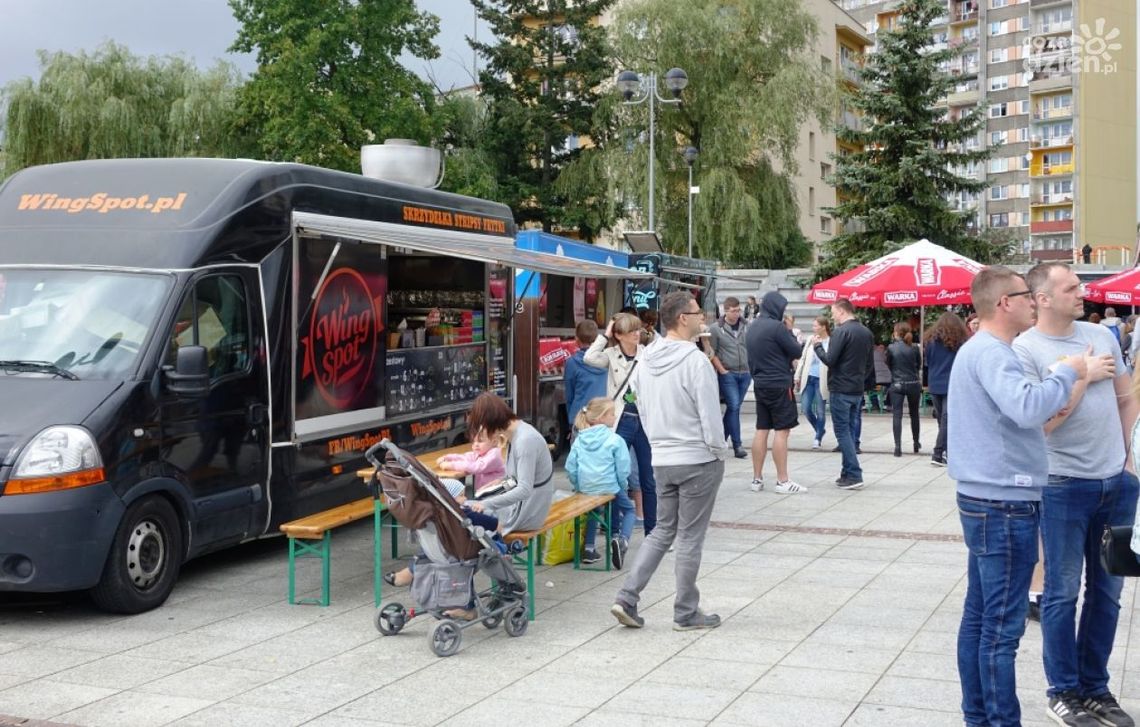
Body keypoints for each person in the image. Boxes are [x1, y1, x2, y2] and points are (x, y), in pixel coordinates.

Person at [949, 265, 1087, 727]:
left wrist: (1049, 386)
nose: (1034, 301)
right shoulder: (994, 353)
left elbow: (1013, 410)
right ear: (1004, 303)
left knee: (980, 619)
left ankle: (979, 717)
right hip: (1004, 504)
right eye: (1027, 295)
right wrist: (1067, 374)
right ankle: (998, 721)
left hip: (985, 499)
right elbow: (1027, 409)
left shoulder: (982, 350)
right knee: (1000, 631)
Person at [1013, 262, 1136, 727]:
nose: (1081, 292)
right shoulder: (1025, 350)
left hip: (1116, 482)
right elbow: (1042, 423)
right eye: (1070, 287)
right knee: (1062, 594)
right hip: (1062, 484)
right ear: (1042, 298)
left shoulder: (1102, 336)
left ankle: (1096, 689)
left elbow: (1126, 397)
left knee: (1108, 593)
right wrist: (1081, 376)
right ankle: (1062, 691)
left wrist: (1129, 460)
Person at [610, 291, 728, 631]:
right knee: (690, 537)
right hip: (697, 457)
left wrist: (659, 443)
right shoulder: (694, 362)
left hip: (662, 457)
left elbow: (641, 406)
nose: (702, 317)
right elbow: (709, 414)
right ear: (682, 318)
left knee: (661, 531)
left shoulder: (646, 360)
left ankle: (627, 597)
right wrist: (717, 452)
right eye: (697, 312)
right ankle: (686, 612)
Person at [585, 312, 656, 536]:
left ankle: (652, 531)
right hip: (619, 420)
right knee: (616, 476)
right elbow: (589, 357)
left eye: (638, 330)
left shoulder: (647, 354)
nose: (637, 334)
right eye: (631, 331)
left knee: (648, 478)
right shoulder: (610, 354)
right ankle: (614, 530)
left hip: (643, 420)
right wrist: (605, 335)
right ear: (619, 335)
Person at [463, 392, 555, 538]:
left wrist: (487, 504)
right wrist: (498, 482)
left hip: (529, 511)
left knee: (469, 515)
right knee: (466, 509)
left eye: (483, 427)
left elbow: (524, 489)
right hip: (526, 504)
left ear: (490, 421)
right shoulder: (517, 433)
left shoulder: (525, 440)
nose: (483, 433)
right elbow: (515, 478)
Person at [745, 292, 806, 494]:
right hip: (779, 384)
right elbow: (796, 351)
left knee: (762, 429)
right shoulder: (777, 327)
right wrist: (789, 331)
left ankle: (756, 479)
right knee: (782, 430)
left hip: (760, 383)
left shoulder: (752, 326)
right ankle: (782, 481)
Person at [811, 299, 874, 490]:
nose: (832, 316)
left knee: (842, 432)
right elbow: (869, 364)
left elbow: (830, 360)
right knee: (849, 429)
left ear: (841, 311)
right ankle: (846, 473)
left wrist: (817, 347)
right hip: (856, 388)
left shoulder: (841, 332)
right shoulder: (866, 332)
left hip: (841, 388)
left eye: (833, 312)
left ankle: (854, 474)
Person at [565, 397, 635, 569]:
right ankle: (622, 540)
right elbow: (623, 469)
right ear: (602, 417)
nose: (615, 416)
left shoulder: (580, 439)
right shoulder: (615, 440)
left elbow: (570, 467)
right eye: (612, 413)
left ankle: (589, 548)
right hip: (610, 487)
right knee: (630, 510)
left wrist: (579, 486)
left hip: (587, 488)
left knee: (593, 511)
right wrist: (622, 487)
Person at [923, 312, 969, 467]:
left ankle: (946, 451)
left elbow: (927, 363)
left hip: (934, 383)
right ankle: (939, 453)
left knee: (942, 420)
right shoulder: (960, 342)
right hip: (952, 384)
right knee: (947, 419)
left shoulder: (929, 341)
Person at [708, 296, 751, 459]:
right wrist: (722, 371)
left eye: (738, 310)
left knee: (734, 408)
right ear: (725, 311)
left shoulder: (746, 326)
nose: (736, 314)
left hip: (745, 373)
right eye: (733, 311)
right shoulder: (716, 328)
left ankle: (722, 439)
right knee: (733, 406)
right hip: (728, 373)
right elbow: (712, 352)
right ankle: (738, 445)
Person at [563, 319, 608, 435]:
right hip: (603, 415)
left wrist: (570, 419)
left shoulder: (572, 363)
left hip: (580, 416)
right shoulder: (606, 359)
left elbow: (569, 395)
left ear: (577, 339)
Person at [885, 322, 922, 458]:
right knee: (914, 415)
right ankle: (916, 442)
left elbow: (888, 363)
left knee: (897, 415)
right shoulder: (914, 348)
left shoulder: (891, 348)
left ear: (896, 333)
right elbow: (918, 365)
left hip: (897, 384)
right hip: (913, 383)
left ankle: (898, 447)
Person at [794, 317, 830, 449]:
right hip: (808, 378)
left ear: (823, 327)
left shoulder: (830, 341)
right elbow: (803, 359)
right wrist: (797, 375)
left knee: (820, 410)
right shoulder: (810, 339)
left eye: (815, 326)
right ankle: (820, 429)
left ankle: (817, 438)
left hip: (822, 379)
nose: (813, 328)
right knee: (806, 408)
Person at [435, 429, 506, 497]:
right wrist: (447, 458)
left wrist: (451, 465)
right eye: (474, 441)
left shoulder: (494, 456)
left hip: (496, 493)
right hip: (485, 492)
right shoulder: (482, 453)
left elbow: (475, 467)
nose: (476, 444)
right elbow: (465, 457)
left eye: (480, 441)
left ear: (493, 442)